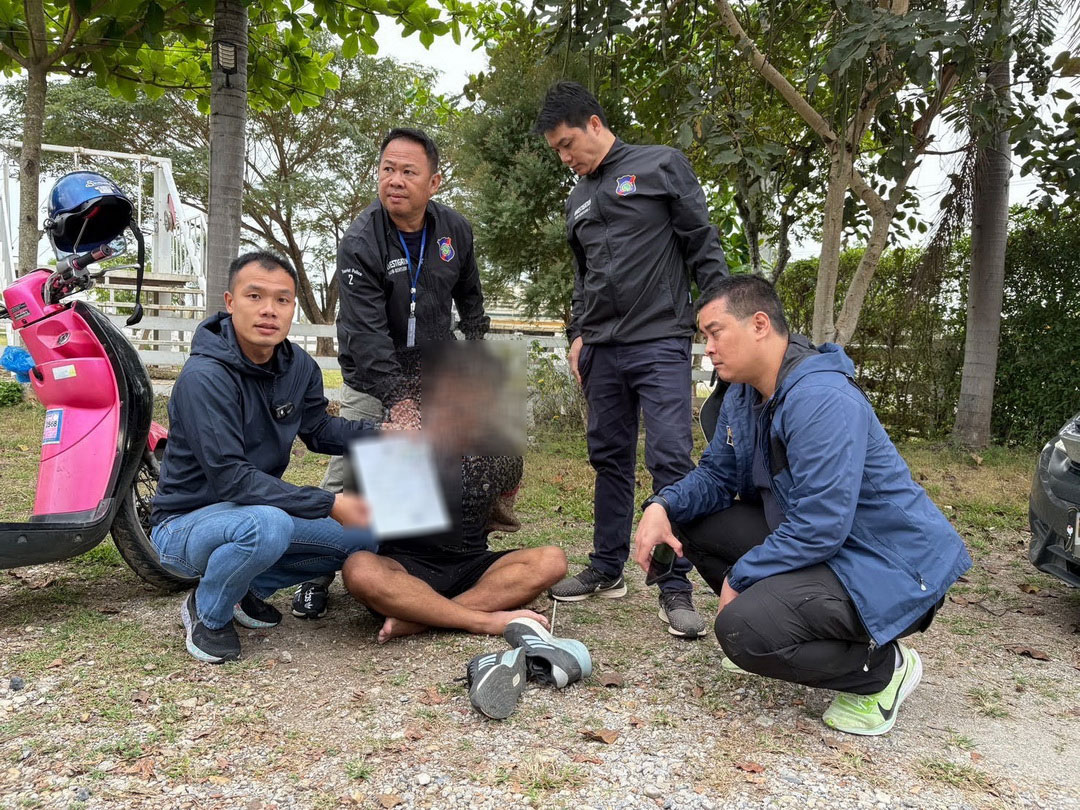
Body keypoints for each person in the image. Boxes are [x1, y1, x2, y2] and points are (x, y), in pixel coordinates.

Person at [633, 275, 972, 735]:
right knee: (693, 521)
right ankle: (781, 625)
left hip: (888, 566)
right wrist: (661, 506)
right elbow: (716, 476)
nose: (708, 348)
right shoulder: (744, 393)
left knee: (743, 631)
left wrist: (741, 576)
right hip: (831, 547)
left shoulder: (820, 398)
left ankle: (882, 670)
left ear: (759, 324)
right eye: (704, 336)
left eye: (715, 332)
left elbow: (821, 524)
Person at [534, 81, 729, 638]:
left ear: (595, 124)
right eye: (557, 150)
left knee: (670, 459)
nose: (565, 158)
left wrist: (720, 319)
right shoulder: (577, 199)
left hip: (659, 339)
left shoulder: (660, 165)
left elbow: (702, 244)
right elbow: (583, 277)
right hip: (601, 348)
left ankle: (674, 587)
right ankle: (606, 566)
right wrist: (578, 333)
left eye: (568, 144)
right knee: (608, 458)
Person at [294, 126, 493, 620]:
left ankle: (414, 572)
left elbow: (470, 295)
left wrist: (475, 352)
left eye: (408, 171)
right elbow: (367, 334)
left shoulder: (455, 231)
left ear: (434, 182)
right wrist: (398, 400)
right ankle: (313, 577)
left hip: (435, 373)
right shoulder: (361, 239)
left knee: (439, 467)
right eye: (387, 169)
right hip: (372, 376)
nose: (395, 180)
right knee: (349, 473)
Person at [150, 251, 379, 664]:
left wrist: (384, 435)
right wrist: (328, 502)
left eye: (282, 300)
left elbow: (318, 430)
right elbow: (231, 479)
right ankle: (208, 610)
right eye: (254, 296)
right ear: (230, 302)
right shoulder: (205, 377)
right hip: (185, 524)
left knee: (364, 537)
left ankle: (245, 589)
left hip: (254, 510)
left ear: (293, 308)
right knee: (268, 525)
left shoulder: (298, 366)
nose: (269, 310)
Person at [341, 342, 567, 644]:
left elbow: (500, 518)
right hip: (406, 566)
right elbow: (369, 522)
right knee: (359, 569)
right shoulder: (395, 441)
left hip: (472, 565)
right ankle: (481, 619)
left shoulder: (503, 454)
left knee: (552, 560)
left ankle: (421, 618)